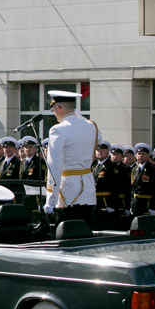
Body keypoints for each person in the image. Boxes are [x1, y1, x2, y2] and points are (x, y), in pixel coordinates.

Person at [43, 90, 99, 223]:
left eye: (54, 110)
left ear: (59, 108)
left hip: (67, 192)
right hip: (88, 190)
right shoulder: (91, 126)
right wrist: (75, 114)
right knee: (85, 230)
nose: (55, 114)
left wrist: (50, 200)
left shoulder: (57, 130)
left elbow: (54, 166)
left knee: (65, 233)